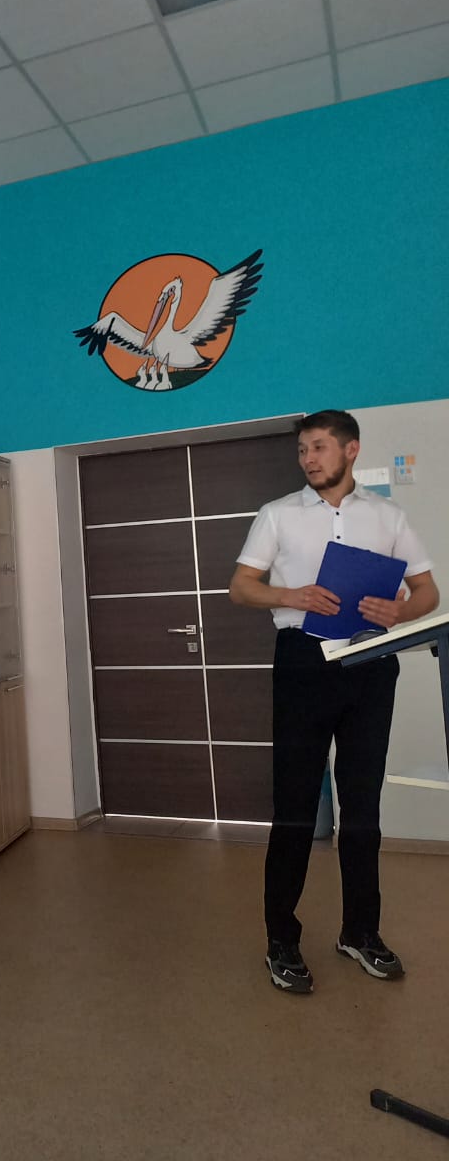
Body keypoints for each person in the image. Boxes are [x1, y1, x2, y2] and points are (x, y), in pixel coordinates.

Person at [229, 410, 439, 994]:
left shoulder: (388, 516)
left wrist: (402, 610)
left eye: (319, 447)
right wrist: (291, 594)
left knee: (363, 807)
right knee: (295, 806)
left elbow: (427, 589)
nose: (308, 458)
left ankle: (360, 932)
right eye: (303, 450)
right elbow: (241, 587)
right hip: (303, 661)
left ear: (351, 450)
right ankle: (281, 940)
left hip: (372, 661)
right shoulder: (278, 514)